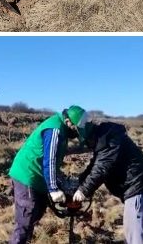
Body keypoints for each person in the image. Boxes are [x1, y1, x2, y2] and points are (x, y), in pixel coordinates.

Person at [8, 105, 89, 244]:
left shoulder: (61, 128)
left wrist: (61, 181)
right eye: (76, 130)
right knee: (26, 220)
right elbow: (49, 160)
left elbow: (54, 160)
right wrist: (53, 189)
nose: (76, 134)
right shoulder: (55, 130)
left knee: (35, 215)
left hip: (37, 177)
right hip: (28, 175)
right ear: (69, 122)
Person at [72, 119, 143, 244]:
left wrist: (83, 191)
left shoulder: (108, 142)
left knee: (136, 235)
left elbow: (101, 169)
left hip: (138, 187)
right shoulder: (104, 139)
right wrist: (80, 182)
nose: (88, 145)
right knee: (131, 232)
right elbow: (94, 165)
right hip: (134, 188)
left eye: (87, 142)